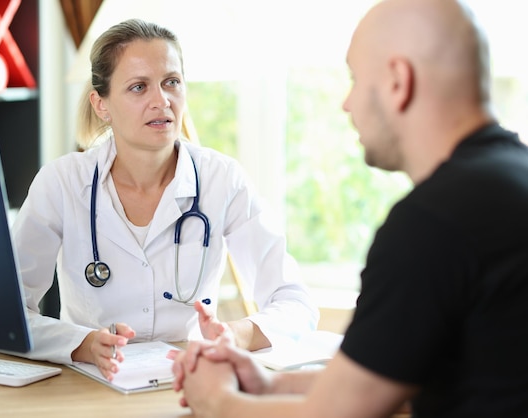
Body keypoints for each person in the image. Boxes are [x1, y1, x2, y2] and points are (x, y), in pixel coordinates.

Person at [170, 0, 528, 417]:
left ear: (398, 81)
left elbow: (337, 413)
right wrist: (268, 382)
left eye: (356, 79)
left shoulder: (434, 223)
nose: (346, 103)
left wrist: (215, 400)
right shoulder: (507, 184)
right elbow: (385, 373)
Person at [9, 18, 318, 379]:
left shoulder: (222, 179)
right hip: (90, 387)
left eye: (171, 82)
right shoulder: (62, 183)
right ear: (101, 104)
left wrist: (236, 335)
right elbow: (6, 314)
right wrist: (82, 344)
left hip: (192, 380)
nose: (161, 101)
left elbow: (296, 303)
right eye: (139, 87)